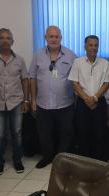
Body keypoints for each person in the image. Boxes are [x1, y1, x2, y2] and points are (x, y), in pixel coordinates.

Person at [29, 26, 76, 168]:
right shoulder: (38, 55)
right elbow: (32, 78)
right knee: (44, 133)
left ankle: (62, 159)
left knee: (65, 133)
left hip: (65, 103)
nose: (54, 39)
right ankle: (47, 157)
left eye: (56, 36)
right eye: (51, 36)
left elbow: (76, 79)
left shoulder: (70, 55)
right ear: (46, 38)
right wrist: (33, 100)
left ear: (61, 38)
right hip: (43, 103)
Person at [0, 28, 29, 175]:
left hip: (16, 102)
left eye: (8, 38)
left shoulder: (20, 60)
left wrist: (26, 100)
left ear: (12, 41)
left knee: (17, 133)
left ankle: (17, 160)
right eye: (1, 38)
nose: (5, 40)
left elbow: (24, 80)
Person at [68, 35, 109, 161]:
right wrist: (86, 98)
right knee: (83, 134)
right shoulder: (78, 62)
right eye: (90, 45)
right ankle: (84, 162)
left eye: (96, 45)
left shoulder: (104, 63)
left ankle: (99, 162)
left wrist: (94, 98)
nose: (93, 48)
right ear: (85, 46)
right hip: (83, 104)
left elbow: (107, 83)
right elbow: (74, 83)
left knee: (99, 134)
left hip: (99, 103)